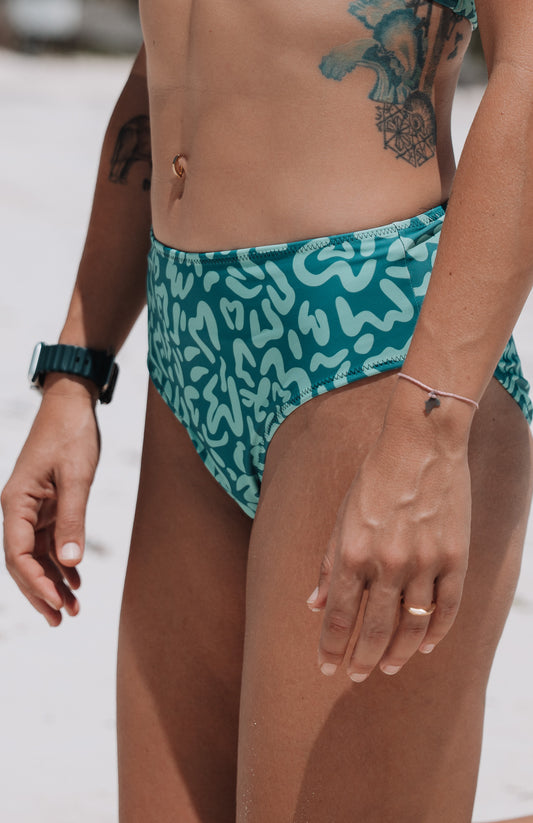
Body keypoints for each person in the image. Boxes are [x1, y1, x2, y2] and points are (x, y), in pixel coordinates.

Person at [2, 0, 533, 821]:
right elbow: (170, 63)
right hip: (189, 348)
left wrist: (428, 438)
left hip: (380, 348)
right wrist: (77, 367)